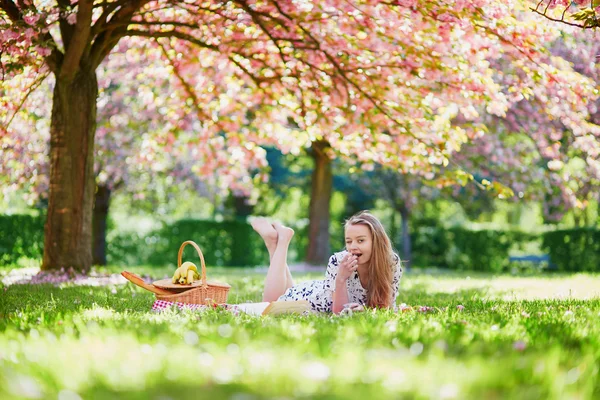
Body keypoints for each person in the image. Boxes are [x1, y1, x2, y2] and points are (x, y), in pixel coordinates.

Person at [251, 210, 402, 314]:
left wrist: (363, 310)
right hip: (310, 299)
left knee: (285, 290)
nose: (353, 246)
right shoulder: (339, 261)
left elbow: (385, 307)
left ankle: (273, 242)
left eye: (361, 240)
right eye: (349, 241)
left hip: (314, 290)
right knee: (268, 305)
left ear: (376, 241)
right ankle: (281, 241)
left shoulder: (391, 262)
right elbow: (338, 312)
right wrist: (341, 277)